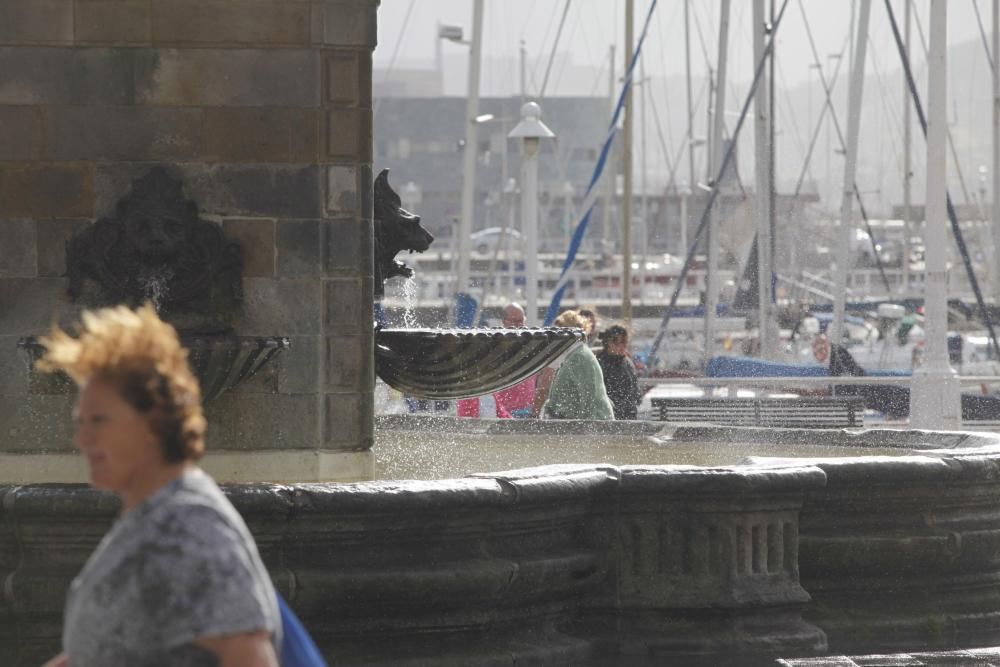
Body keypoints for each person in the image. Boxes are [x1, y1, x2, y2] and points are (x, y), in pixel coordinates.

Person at [40, 304, 281, 667]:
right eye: (81, 422)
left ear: (152, 422)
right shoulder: (155, 516)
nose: (83, 439)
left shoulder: (189, 531)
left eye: (99, 421)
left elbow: (249, 657)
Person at [536, 310, 614, 420]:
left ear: (568, 333)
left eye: (558, 331)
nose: (554, 336)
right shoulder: (572, 354)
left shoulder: (579, 356)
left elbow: (588, 397)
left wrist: (584, 431)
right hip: (575, 423)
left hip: (594, 424)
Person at [596, 324, 642, 420]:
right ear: (608, 343)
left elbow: (635, 389)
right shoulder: (600, 363)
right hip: (609, 417)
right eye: (617, 343)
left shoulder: (627, 362)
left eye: (625, 342)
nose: (622, 346)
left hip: (629, 415)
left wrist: (636, 400)